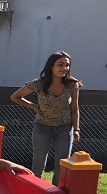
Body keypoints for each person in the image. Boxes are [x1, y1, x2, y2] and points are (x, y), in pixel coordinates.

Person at [9, 51, 82, 184]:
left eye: (67, 65)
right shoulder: (39, 84)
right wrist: (33, 106)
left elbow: (74, 109)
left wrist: (76, 129)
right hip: (42, 127)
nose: (64, 68)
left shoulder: (72, 85)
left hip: (64, 128)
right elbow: (15, 97)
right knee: (38, 165)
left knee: (62, 165)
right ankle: (36, 192)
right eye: (60, 64)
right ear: (51, 66)